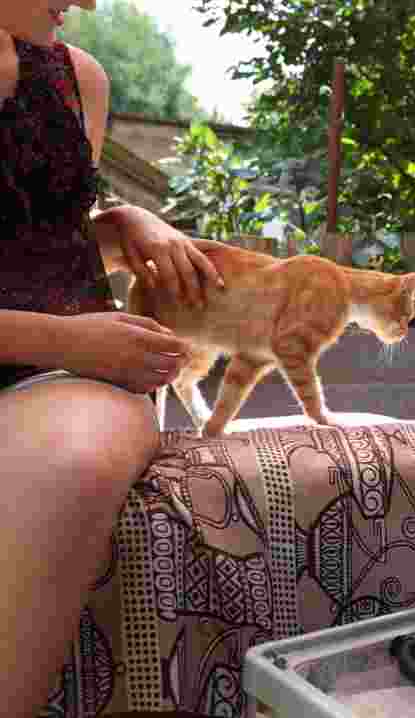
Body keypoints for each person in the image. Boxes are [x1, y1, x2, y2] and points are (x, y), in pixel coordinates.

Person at [0, 2, 223, 713]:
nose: (89, 2)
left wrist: (127, 224)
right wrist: (67, 339)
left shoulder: (76, 79)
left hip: (62, 377)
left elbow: (36, 239)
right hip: (67, 352)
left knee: (77, 459)